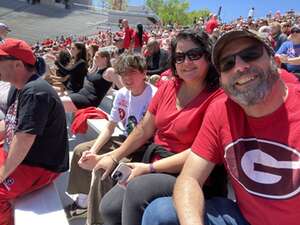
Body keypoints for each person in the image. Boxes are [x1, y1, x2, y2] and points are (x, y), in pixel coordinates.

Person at [142, 29, 300, 225]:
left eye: (250, 55)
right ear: (222, 79)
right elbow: (189, 179)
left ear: (276, 62)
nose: (240, 67)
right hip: (243, 218)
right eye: (228, 64)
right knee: (160, 213)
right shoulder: (222, 110)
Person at [98, 29, 226, 225]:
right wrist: (114, 156)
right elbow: (144, 129)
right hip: (156, 162)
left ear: (208, 57)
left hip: (192, 174)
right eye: (180, 57)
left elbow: (200, 152)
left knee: (137, 189)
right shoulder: (168, 87)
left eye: (194, 55)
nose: (186, 62)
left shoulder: (219, 97)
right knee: (109, 209)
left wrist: (149, 168)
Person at [65, 52, 157, 223]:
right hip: (123, 138)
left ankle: (99, 220)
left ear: (144, 73)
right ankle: (83, 204)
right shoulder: (122, 94)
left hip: (142, 145)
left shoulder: (154, 95)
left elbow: (144, 134)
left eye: (132, 72)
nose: (127, 78)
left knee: (103, 168)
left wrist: (102, 157)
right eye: (122, 74)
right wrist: (92, 151)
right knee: (80, 151)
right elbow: (109, 127)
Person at [0, 38, 69, 225]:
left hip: (38, 164)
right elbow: (9, 125)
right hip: (20, 156)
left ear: (17, 64)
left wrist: (2, 174)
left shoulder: (35, 92)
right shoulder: (19, 88)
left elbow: (24, 140)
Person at [60, 48, 122, 112]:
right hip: (80, 95)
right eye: (94, 56)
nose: (94, 58)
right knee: (55, 103)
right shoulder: (97, 69)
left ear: (105, 59)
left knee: (56, 103)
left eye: (97, 57)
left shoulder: (110, 71)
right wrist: (94, 66)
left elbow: (122, 87)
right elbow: (87, 75)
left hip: (88, 100)